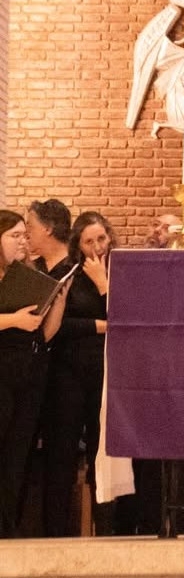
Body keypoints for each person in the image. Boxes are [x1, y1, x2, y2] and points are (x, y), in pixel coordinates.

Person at [41, 212, 115, 536]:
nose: (96, 247)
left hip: (105, 376)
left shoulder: (119, 273)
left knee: (103, 456)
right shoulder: (65, 273)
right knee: (62, 456)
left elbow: (128, 320)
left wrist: (104, 285)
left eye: (101, 238)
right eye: (88, 241)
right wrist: (99, 326)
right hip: (68, 375)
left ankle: (108, 531)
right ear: (77, 245)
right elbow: (55, 328)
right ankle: (55, 533)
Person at [0, 210, 67, 538]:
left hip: (28, 372)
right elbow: (17, 323)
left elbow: (45, 334)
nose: (22, 242)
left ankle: (7, 527)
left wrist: (57, 303)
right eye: (14, 235)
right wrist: (13, 320)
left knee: (17, 455)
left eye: (25, 235)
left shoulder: (28, 275)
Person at [26, 199, 74, 279]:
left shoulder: (77, 270)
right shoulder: (32, 268)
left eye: (30, 227)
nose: (26, 234)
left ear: (48, 228)